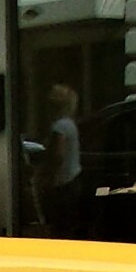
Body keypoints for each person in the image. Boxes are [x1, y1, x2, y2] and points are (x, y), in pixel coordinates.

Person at [43, 85, 85, 238]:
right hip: (74, 179)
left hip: (63, 182)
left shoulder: (59, 127)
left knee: (61, 225)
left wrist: (48, 176)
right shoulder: (70, 124)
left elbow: (58, 155)